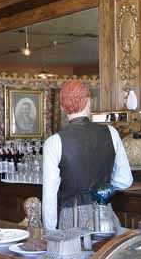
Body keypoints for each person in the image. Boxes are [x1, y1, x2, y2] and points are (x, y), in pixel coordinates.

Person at [42, 81, 133, 231]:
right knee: (105, 254)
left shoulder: (53, 142)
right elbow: (125, 180)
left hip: (72, 222)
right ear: (89, 102)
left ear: (62, 108)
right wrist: (101, 190)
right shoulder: (111, 133)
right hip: (105, 217)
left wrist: (50, 234)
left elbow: (49, 198)